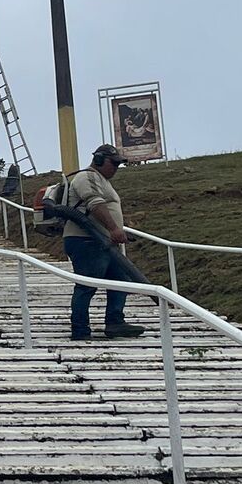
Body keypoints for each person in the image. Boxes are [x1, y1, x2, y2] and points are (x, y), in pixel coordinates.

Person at [63, 145, 145, 341]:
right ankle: (80, 329)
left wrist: (117, 229)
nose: (116, 168)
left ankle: (115, 321)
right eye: (113, 163)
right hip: (86, 240)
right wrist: (114, 228)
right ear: (98, 160)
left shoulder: (102, 180)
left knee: (121, 278)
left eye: (119, 164)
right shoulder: (86, 177)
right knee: (87, 284)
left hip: (103, 240)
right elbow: (94, 203)